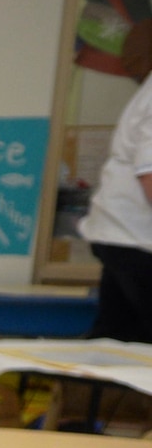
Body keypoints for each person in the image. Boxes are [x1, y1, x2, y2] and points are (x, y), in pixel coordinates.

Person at [83, 61, 152, 343]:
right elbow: (149, 173)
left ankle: (90, 385)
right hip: (134, 238)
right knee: (122, 341)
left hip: (124, 235)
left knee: (117, 340)